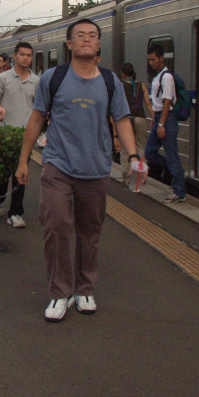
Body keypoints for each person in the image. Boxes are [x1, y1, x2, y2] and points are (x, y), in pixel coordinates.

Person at [15, 18, 141, 322]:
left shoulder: (111, 82)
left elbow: (122, 120)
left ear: (99, 45)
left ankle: (84, 289)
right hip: (57, 165)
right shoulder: (53, 78)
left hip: (96, 169)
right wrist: (23, 160)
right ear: (69, 44)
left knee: (89, 232)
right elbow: (36, 119)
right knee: (56, 226)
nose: (87, 39)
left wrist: (134, 156)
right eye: (80, 35)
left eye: (92, 36)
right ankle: (59, 293)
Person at [0, 42, 39, 228]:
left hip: (25, 136)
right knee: (3, 175)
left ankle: (16, 212)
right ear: (15, 56)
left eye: (29, 55)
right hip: (4, 133)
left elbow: (39, 107)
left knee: (21, 173)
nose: (26, 58)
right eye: (22, 54)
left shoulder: (36, 81)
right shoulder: (2, 78)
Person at [145, 44, 186, 203]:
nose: (151, 63)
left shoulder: (166, 77)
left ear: (162, 59)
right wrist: (155, 119)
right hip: (159, 118)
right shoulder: (158, 76)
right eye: (149, 60)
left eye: (153, 59)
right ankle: (175, 173)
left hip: (166, 119)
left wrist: (161, 124)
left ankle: (179, 191)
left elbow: (168, 101)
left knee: (171, 154)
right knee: (150, 153)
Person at [117, 62, 151, 183]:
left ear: (123, 73)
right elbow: (147, 103)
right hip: (140, 118)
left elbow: (118, 104)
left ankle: (126, 176)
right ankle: (140, 174)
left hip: (127, 119)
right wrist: (154, 118)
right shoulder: (142, 85)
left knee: (125, 148)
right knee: (141, 147)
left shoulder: (121, 86)